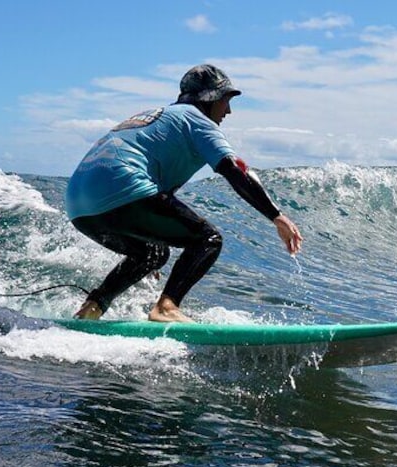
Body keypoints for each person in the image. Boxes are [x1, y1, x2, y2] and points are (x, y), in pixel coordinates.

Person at [65, 64, 303, 322]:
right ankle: (166, 307)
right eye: (226, 100)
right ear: (209, 98)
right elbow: (234, 171)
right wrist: (277, 216)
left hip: (80, 206)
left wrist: (152, 239)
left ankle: (92, 308)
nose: (229, 110)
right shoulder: (197, 120)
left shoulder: (156, 116)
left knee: (152, 253)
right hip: (124, 187)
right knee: (207, 239)